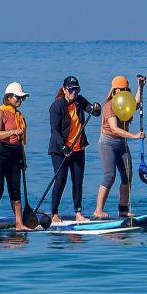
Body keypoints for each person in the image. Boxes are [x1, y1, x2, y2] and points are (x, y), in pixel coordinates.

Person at [47, 76, 102, 224]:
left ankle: (78, 212)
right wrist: (64, 147)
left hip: (78, 148)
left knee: (78, 181)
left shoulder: (79, 101)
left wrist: (96, 108)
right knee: (61, 180)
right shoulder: (56, 106)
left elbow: (94, 112)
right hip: (60, 150)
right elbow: (55, 131)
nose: (74, 93)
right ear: (64, 89)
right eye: (71, 90)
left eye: (76, 90)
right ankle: (54, 213)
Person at [92, 75, 146, 219]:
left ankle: (123, 210)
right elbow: (114, 129)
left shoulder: (125, 102)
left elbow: (137, 103)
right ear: (114, 90)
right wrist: (134, 136)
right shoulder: (109, 105)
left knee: (127, 177)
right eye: (121, 89)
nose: (124, 91)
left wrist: (140, 86)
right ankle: (98, 210)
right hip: (108, 143)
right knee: (110, 176)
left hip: (122, 144)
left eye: (126, 89)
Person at [0, 82, 33, 232]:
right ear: (8, 97)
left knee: (15, 190)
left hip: (15, 153)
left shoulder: (19, 115)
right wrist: (12, 132)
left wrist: (23, 160)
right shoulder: (0, 112)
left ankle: (19, 223)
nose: (20, 101)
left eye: (22, 98)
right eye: (18, 97)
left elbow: (21, 142)